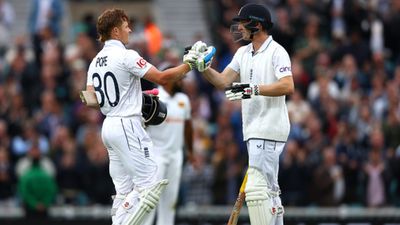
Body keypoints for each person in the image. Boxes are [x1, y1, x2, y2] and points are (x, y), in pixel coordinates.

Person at [83, 8, 206, 225]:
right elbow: (162, 78)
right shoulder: (126, 55)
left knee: (123, 192)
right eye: (125, 26)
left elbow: (92, 100)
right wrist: (190, 65)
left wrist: (132, 97)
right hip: (127, 124)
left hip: (108, 126)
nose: (130, 29)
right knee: (150, 186)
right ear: (115, 31)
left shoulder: (95, 62)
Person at [185, 3, 294, 225]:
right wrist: (202, 67)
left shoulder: (277, 51)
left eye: (243, 23)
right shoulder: (243, 52)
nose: (239, 28)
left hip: (269, 128)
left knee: (260, 190)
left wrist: (253, 88)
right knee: (269, 189)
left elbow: (287, 85)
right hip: (253, 129)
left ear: (256, 24)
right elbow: (223, 81)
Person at [143, 65, 193, 225]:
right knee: (149, 201)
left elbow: (188, 127)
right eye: (180, 78)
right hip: (155, 155)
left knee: (170, 202)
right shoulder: (154, 98)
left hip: (176, 155)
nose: (182, 82)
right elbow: (142, 127)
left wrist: (190, 152)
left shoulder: (183, 100)